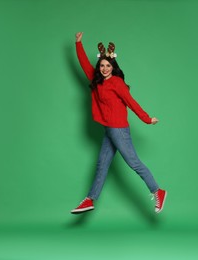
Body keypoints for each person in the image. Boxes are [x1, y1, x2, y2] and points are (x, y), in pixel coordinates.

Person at [70, 32, 167, 214]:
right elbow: (83, 64)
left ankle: (158, 191)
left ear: (113, 67)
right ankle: (90, 199)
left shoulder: (117, 83)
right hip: (109, 130)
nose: (104, 69)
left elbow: (131, 102)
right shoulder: (97, 81)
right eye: (102, 66)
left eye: (108, 66)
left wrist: (147, 119)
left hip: (119, 130)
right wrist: (78, 43)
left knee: (134, 163)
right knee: (102, 165)